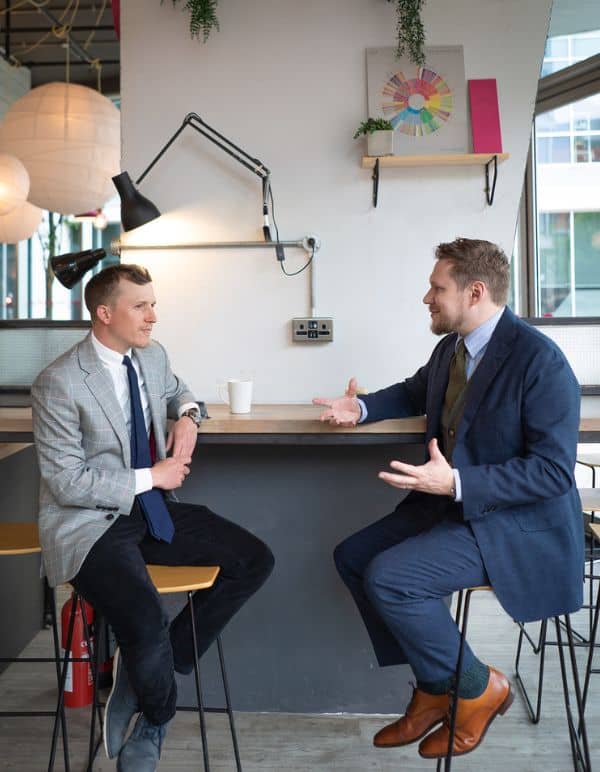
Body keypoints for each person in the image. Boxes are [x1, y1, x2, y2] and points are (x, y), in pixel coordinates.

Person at [313, 237, 582, 760]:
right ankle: (437, 686)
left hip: (512, 525)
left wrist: (457, 483)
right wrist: (361, 406)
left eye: (437, 288)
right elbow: (416, 392)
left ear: (475, 291)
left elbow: (552, 472)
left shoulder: (540, 361)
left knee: (392, 578)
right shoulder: (451, 350)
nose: (426, 298)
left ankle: (480, 687)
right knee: (354, 556)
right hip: (452, 510)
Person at [32, 264, 274, 772]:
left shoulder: (150, 355)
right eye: (141, 306)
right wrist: (154, 477)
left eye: (153, 304)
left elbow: (180, 392)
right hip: (88, 523)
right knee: (144, 619)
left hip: (150, 513)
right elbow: (67, 483)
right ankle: (157, 716)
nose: (153, 317)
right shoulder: (58, 383)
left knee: (253, 559)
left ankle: (147, 671)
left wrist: (189, 417)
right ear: (104, 313)